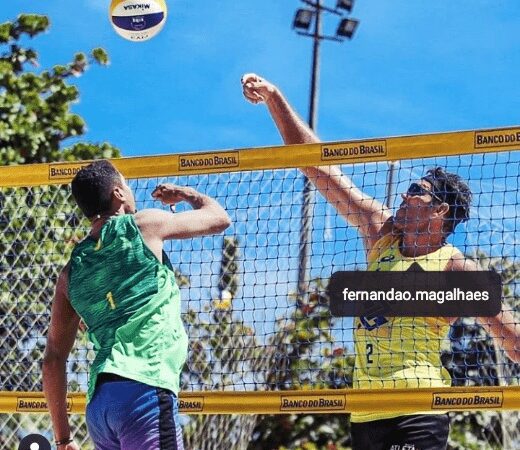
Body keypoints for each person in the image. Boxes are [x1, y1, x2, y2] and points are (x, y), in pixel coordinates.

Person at [241, 73, 520, 450]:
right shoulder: (381, 236)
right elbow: (317, 166)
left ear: (439, 210)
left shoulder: (455, 269)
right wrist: (275, 98)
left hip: (419, 408)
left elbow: (512, 340)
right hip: (366, 411)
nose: (404, 196)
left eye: (415, 191)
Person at [43, 160, 231, 450]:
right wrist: (185, 193)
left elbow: (53, 358)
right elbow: (219, 218)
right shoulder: (143, 225)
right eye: (127, 185)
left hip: (100, 407)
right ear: (118, 193)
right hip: (144, 388)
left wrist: (63, 439)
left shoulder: (70, 273)